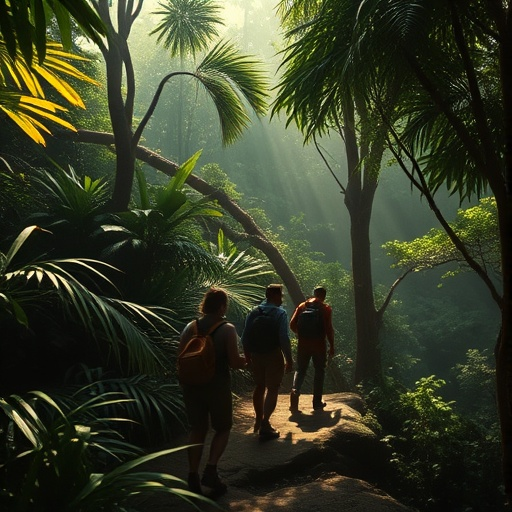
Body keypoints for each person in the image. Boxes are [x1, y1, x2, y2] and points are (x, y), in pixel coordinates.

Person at [178, 287, 246, 497]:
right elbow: (234, 363)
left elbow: (180, 356)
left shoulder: (191, 326)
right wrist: (246, 361)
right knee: (223, 428)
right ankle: (211, 469)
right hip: (216, 386)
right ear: (222, 306)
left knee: (197, 428)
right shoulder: (227, 329)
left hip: (191, 385)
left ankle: (192, 473)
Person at [241, 283, 293, 440]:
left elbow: (244, 337)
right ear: (275, 296)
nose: (282, 299)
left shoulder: (254, 311)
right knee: (272, 388)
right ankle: (265, 423)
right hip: (273, 354)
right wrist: (289, 359)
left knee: (259, 385)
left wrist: (248, 356)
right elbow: (284, 338)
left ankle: (258, 418)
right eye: (281, 295)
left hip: (256, 354)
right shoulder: (280, 313)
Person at [289, 286, 335, 412]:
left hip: (303, 345)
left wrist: (301, 335)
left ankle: (295, 391)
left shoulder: (302, 306)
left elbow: (292, 324)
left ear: (314, 294)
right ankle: (317, 402)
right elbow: (329, 330)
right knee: (319, 371)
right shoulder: (326, 309)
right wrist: (331, 346)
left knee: (301, 369)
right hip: (319, 345)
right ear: (324, 296)